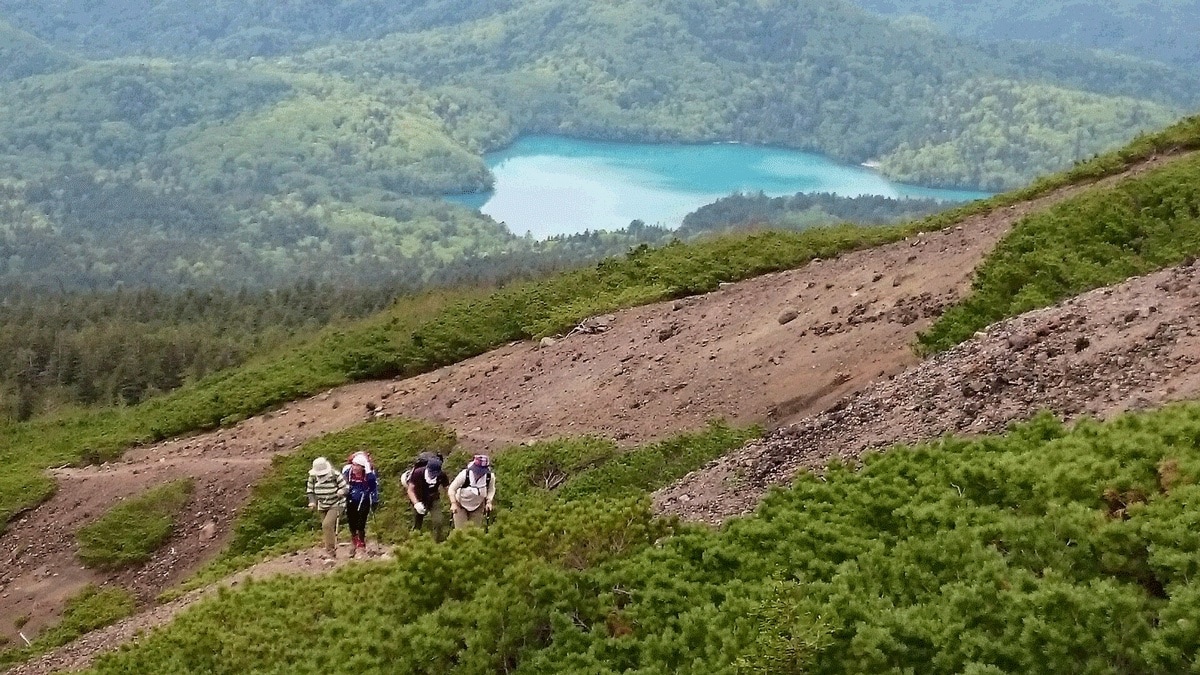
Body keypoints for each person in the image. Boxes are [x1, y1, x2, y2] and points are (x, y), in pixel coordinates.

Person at [306, 456, 348, 560]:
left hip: (336, 503)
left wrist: (341, 491)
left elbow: (346, 487)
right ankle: (331, 550)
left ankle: (330, 551)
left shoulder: (335, 475)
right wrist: (312, 502)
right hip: (322, 505)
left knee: (327, 525)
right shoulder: (313, 477)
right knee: (326, 528)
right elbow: (310, 491)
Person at [341, 450, 378, 558]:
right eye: (353, 465)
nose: (355, 468)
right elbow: (343, 483)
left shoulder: (368, 474)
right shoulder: (348, 473)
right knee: (351, 520)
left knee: (361, 521)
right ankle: (354, 541)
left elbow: (373, 487)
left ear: (362, 467)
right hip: (351, 498)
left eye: (357, 466)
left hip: (364, 499)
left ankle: (361, 543)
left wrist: (374, 500)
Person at [404, 454, 450, 542]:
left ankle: (436, 543)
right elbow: (410, 490)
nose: (433, 475)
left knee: (438, 521)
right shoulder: (418, 473)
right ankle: (413, 542)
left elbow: (447, 488)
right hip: (419, 498)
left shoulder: (441, 475)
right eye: (431, 473)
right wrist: (416, 504)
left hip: (433, 499)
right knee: (417, 522)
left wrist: (453, 502)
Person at [449, 454, 496, 530]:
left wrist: (489, 502)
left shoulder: (490, 477)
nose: (478, 473)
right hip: (460, 505)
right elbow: (452, 489)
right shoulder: (464, 475)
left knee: (474, 531)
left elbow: (491, 490)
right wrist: (453, 503)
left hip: (478, 506)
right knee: (461, 531)